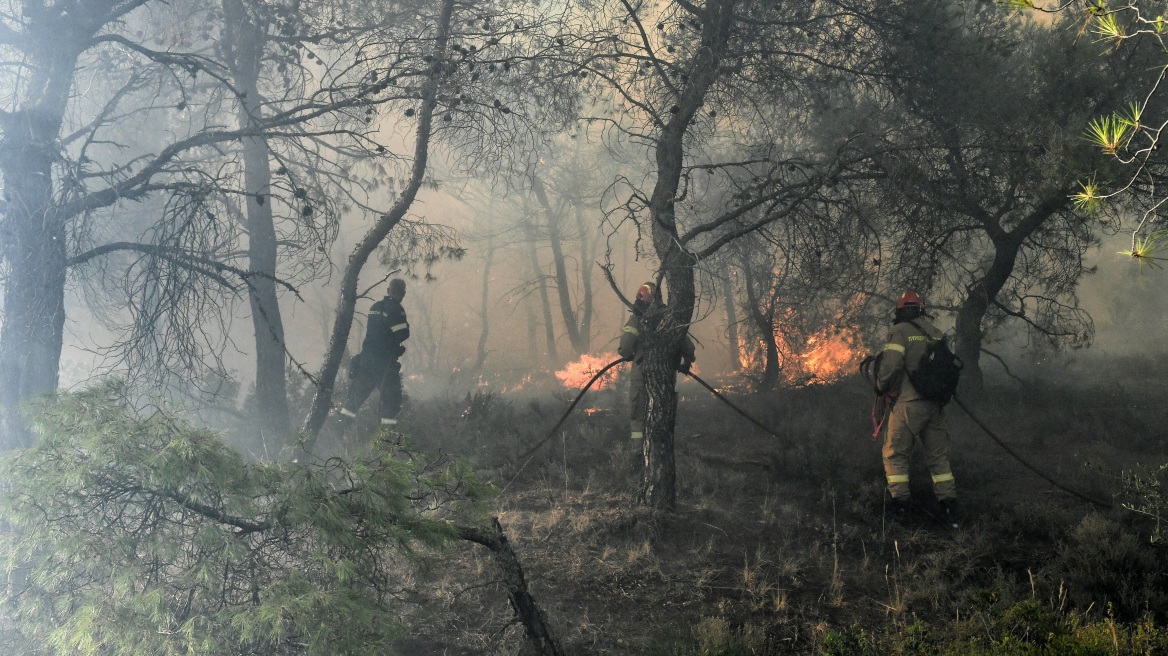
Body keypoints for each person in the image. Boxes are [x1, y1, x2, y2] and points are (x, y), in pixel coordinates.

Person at [875, 289, 958, 528]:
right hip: (935, 405)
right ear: (922, 310)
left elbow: (890, 366)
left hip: (909, 404)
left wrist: (880, 387)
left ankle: (900, 507)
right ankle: (949, 508)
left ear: (900, 311)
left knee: (895, 454)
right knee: (939, 458)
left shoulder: (899, 331)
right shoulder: (936, 333)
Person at [617, 281, 696, 440]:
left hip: (641, 376)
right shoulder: (669, 319)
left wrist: (630, 355)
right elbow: (688, 347)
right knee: (661, 416)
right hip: (666, 378)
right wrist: (686, 365)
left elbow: (625, 348)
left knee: (638, 418)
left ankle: (638, 456)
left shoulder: (637, 319)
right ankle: (659, 452)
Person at [337, 278, 410, 429]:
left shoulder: (375, 307)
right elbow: (402, 334)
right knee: (392, 400)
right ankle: (386, 439)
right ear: (403, 293)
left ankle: (339, 431)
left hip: (366, 361)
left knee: (354, 400)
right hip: (384, 364)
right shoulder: (396, 309)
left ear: (388, 290)